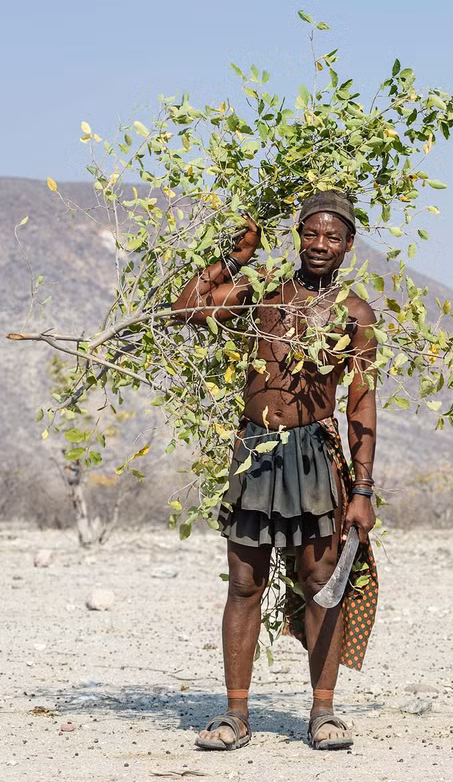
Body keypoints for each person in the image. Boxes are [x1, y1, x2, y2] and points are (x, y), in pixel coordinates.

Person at [171, 190, 378, 751]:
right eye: (311, 233)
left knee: (320, 583)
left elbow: (360, 404)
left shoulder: (354, 314)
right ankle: (236, 716)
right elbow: (186, 310)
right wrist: (233, 257)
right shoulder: (261, 295)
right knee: (244, 581)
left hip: (315, 453)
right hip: (255, 449)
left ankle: (324, 713)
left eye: (332, 237)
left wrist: (362, 488)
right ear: (297, 236)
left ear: (349, 245)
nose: (319, 245)